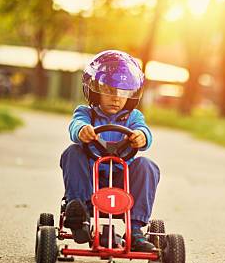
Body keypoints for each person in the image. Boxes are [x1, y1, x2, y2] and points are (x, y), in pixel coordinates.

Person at [59, 50, 159, 251]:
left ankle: (135, 231)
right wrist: (81, 130)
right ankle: (79, 215)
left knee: (147, 165)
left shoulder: (133, 117)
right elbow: (75, 125)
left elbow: (145, 132)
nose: (116, 98)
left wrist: (141, 136)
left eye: (123, 92)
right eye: (109, 90)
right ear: (94, 90)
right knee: (73, 152)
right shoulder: (86, 113)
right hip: (91, 179)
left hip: (123, 181)